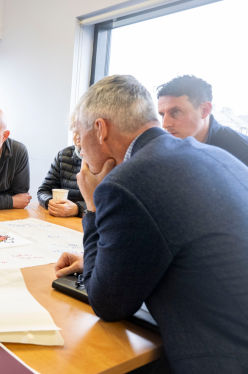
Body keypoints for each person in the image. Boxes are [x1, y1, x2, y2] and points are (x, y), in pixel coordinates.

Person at [55, 75, 248, 373]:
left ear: (100, 129)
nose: (80, 152)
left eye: (80, 138)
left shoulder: (127, 183)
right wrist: (105, 258)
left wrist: (92, 206)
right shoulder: (214, 155)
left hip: (219, 357)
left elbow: (107, 304)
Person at [157, 75, 248, 165]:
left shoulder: (242, 152)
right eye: (162, 114)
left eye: (176, 112)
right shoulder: (166, 147)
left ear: (204, 110)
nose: (165, 124)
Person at [37, 117, 85, 217]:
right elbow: (43, 190)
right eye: (75, 130)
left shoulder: (105, 159)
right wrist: (51, 203)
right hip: (62, 221)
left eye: (82, 129)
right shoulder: (63, 155)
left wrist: (78, 209)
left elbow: (108, 203)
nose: (77, 135)